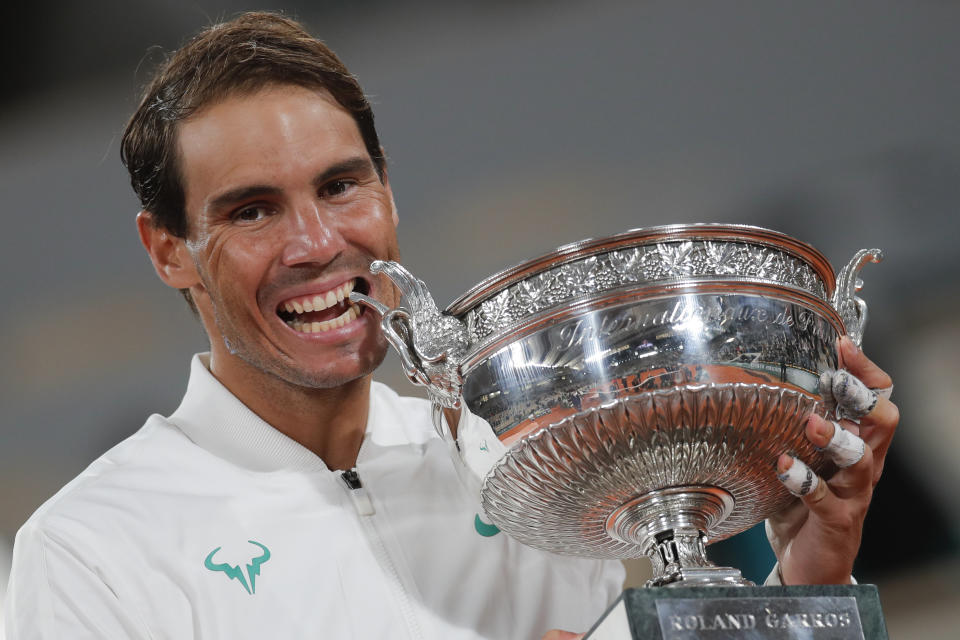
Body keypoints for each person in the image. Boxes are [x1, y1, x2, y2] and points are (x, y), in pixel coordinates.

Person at [4, 12, 898, 640]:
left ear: (386, 190)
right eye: (251, 211)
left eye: (340, 186)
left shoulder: (526, 462)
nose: (317, 243)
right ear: (168, 250)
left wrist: (803, 584)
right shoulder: (93, 549)